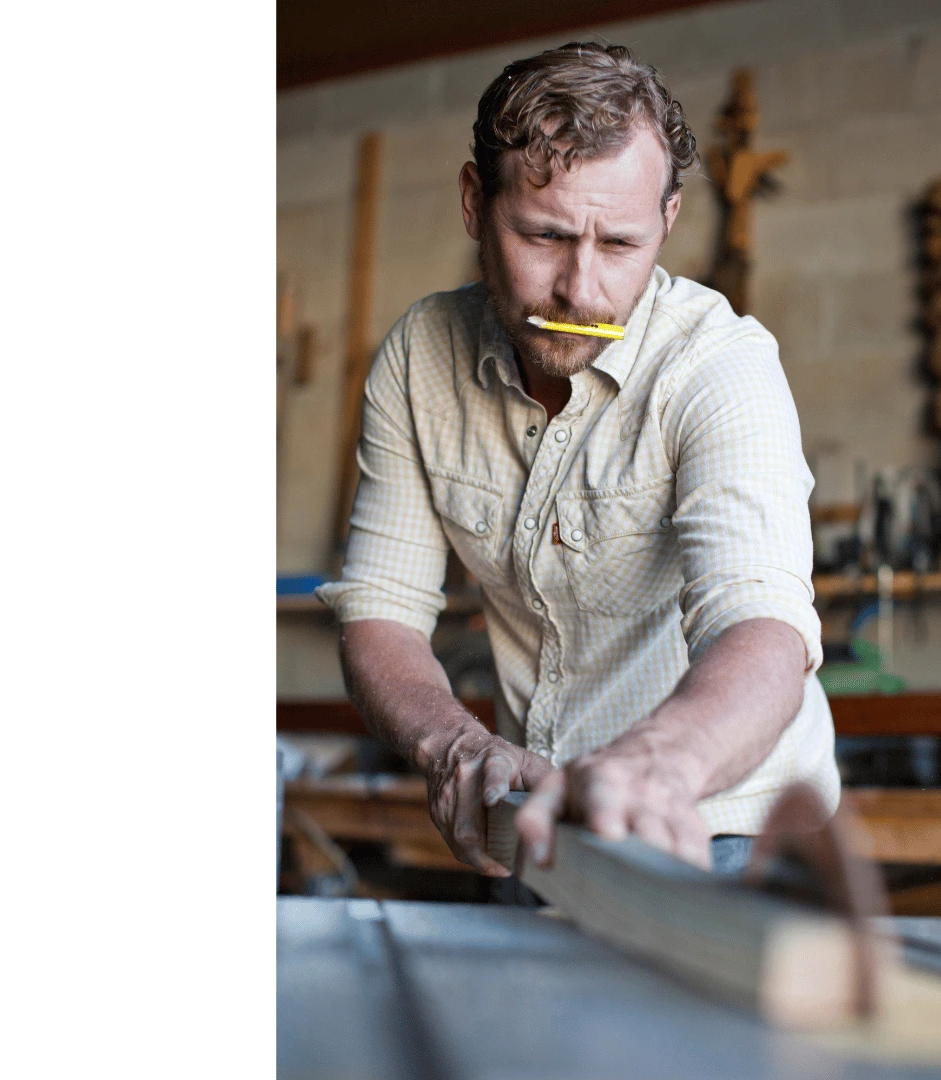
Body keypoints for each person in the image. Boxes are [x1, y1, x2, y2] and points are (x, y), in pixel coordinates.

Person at [318, 42, 838, 883]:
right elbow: (380, 610)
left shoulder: (721, 367)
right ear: (473, 202)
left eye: (622, 244)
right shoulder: (420, 359)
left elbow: (762, 625)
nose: (581, 291)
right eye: (544, 235)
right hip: (537, 827)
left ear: (667, 220)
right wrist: (453, 744)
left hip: (729, 831)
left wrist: (658, 769)